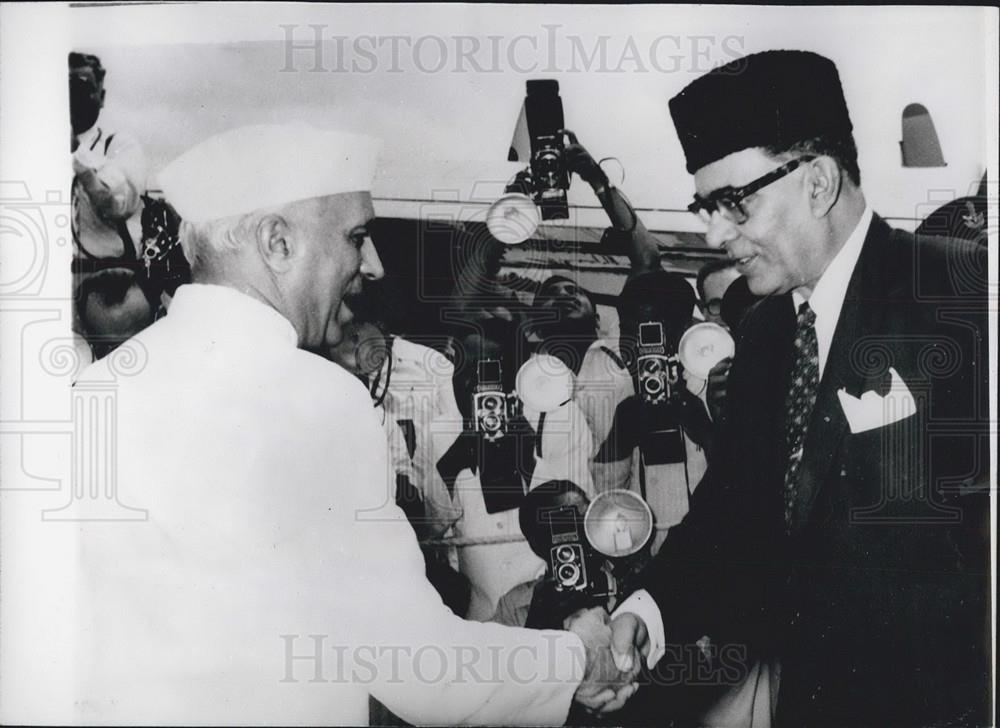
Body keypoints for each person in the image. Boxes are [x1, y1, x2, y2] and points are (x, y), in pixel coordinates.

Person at [72, 123, 638, 724]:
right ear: (277, 243)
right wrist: (576, 657)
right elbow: (417, 666)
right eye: (356, 237)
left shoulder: (93, 393)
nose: (373, 265)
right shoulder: (319, 401)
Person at [607, 50, 990, 726]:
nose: (716, 233)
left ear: (817, 183)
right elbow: (733, 517)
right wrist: (650, 609)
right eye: (707, 207)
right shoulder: (763, 338)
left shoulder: (963, 300)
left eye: (734, 203)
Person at [433, 317, 597, 622]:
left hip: (551, 614)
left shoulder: (555, 420)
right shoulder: (440, 436)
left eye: (488, 372)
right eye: (462, 370)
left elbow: (582, 524)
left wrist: (531, 465)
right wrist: (450, 468)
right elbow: (426, 536)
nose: (471, 383)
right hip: (478, 623)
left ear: (518, 378)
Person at [70, 52, 149, 351]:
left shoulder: (120, 145)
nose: (72, 97)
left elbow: (118, 203)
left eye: (81, 87)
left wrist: (77, 154)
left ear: (100, 96)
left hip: (110, 286)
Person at [530, 274, 635, 494]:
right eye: (551, 295)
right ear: (538, 328)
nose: (564, 295)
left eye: (572, 290)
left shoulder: (624, 358)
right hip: (557, 512)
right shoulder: (526, 381)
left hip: (622, 508)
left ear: (597, 320)